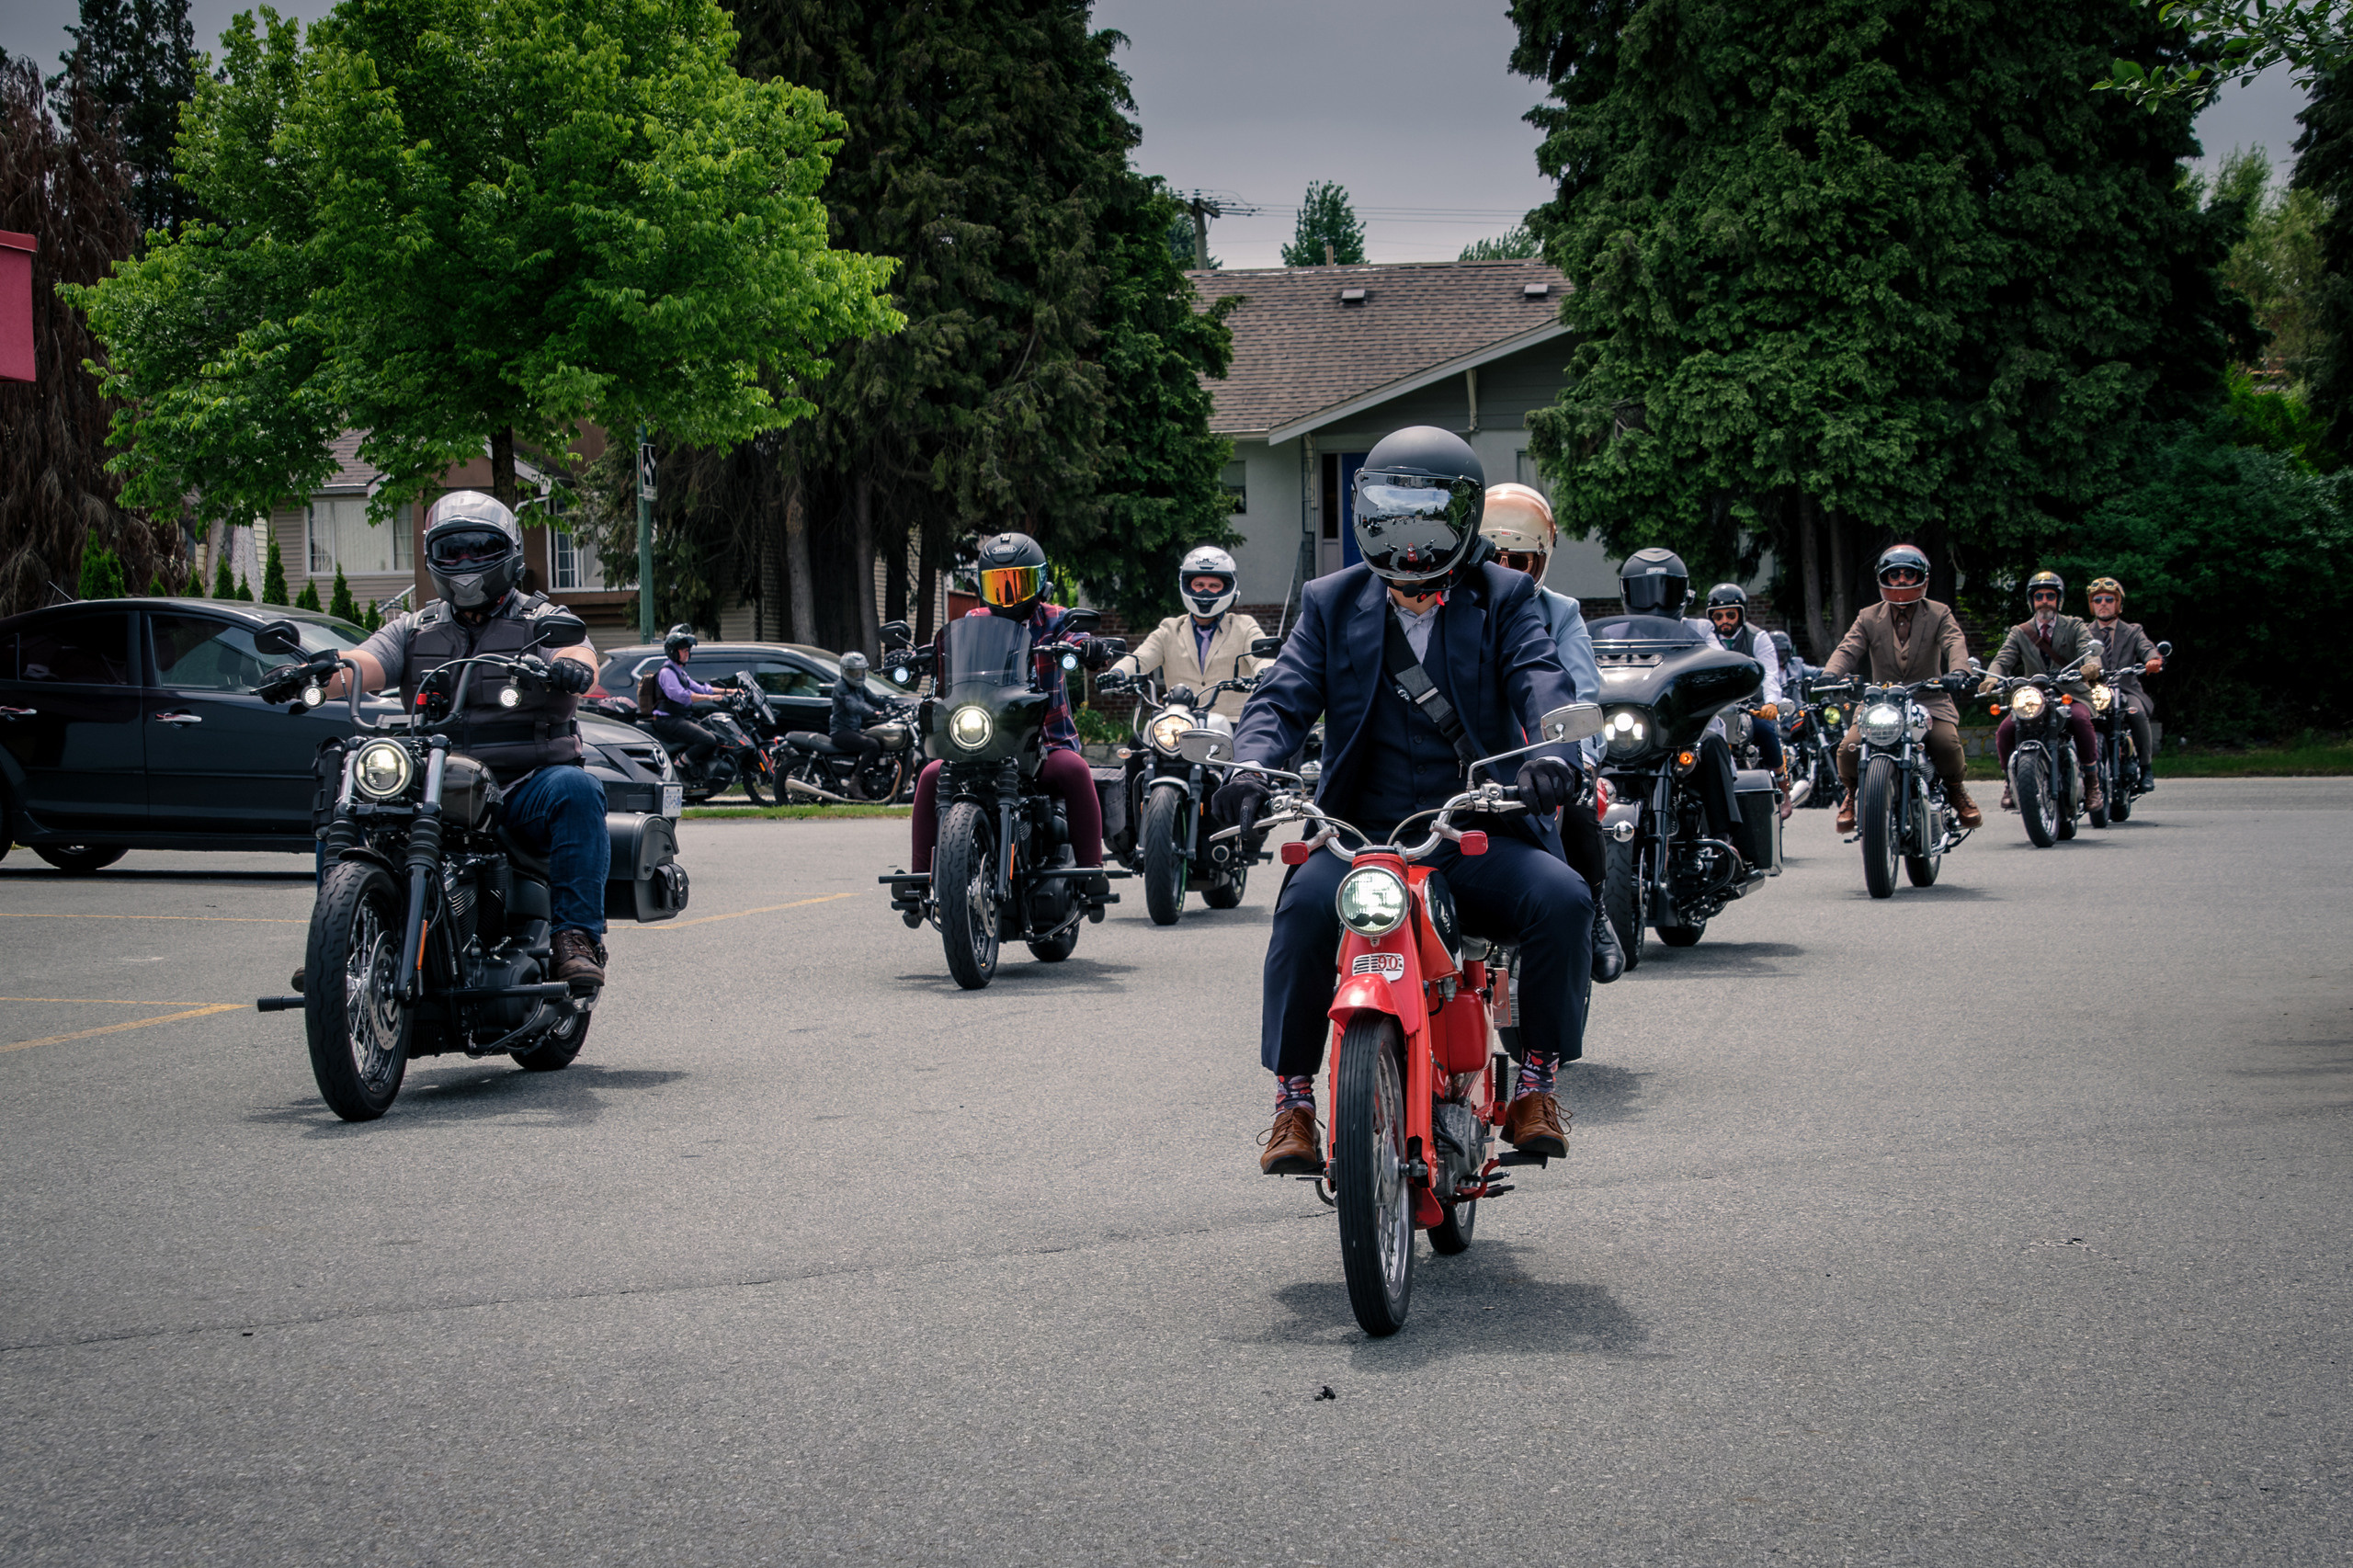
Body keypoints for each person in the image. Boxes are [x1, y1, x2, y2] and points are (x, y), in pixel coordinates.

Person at [1217, 426, 1589, 1175]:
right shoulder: (1330, 601)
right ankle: (1294, 1102)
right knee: (1296, 915)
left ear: (1460, 520)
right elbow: (1282, 699)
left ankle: (1538, 1085)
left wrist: (1553, 752)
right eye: (1394, 517)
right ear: (1366, 519)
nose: (1411, 542)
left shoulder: (1505, 596)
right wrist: (1251, 766)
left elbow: (1541, 677)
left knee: (1566, 899)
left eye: (1427, 519)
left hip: (1478, 829)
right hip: (1363, 835)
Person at [323, 492, 608, 984]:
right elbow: (363, 663)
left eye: (479, 548)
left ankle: (575, 936)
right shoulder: (413, 628)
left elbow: (580, 651)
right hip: (439, 783)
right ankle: (339, 940)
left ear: (510, 553)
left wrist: (570, 667)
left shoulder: (542, 621)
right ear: (434, 556)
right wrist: (317, 672)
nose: (466, 562)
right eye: (452, 551)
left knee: (578, 790)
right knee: (343, 771)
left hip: (522, 785)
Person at [907, 531, 1124, 875]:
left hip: (1043, 744)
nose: (1007, 595)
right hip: (979, 743)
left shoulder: (1056, 619)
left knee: (1075, 770)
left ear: (1039, 583)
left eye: (1018, 583)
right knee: (931, 774)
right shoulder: (973, 622)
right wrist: (912, 658)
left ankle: (1090, 874)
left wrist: (1089, 648)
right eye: (997, 585)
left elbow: (1077, 636)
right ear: (982, 586)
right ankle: (920, 878)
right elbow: (945, 653)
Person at [1479, 481, 1621, 983]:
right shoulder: (1451, 604)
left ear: (1540, 562)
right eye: (1493, 556)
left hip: (1541, 750)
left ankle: (1595, 907)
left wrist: (1570, 758)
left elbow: (1581, 693)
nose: (1506, 571)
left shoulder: (1562, 613)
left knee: (1580, 802)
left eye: (1520, 561)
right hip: (1474, 755)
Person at [1821, 543, 1984, 832]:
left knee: (1946, 743)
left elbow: (1954, 643)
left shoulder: (1938, 613)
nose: (1901, 581)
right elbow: (1848, 649)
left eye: (1908, 574)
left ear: (1922, 577)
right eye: (1894, 575)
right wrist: (1829, 674)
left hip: (1929, 697)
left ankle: (1956, 790)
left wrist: (1958, 671)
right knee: (1848, 748)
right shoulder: (1868, 616)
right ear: (1883, 578)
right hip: (1879, 702)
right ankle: (1852, 794)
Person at [1612, 547, 1749, 847]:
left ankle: (1724, 839)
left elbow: (1719, 663)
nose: (1655, 602)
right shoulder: (1613, 634)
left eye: (1665, 592)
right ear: (1627, 593)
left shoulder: (1700, 630)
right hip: (1631, 730)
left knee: (1712, 744)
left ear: (1683, 594)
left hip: (1686, 728)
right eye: (1644, 593)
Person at [1980, 569, 2104, 813]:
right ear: (2032, 601)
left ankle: (2092, 783)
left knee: (2080, 719)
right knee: (2005, 730)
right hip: (2034, 696)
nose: (2044, 601)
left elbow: (2087, 649)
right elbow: (2003, 659)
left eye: (2050, 595)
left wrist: (2091, 666)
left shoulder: (2074, 625)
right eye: (2039, 596)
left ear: (2059, 599)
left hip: (2071, 693)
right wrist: (1990, 679)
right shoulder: (2019, 631)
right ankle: (2010, 783)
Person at [1108, 545, 1268, 721]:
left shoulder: (1244, 626)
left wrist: (1266, 671)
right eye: (1199, 585)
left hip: (1236, 724)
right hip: (1179, 725)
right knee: (1138, 747)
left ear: (1227, 588)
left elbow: (1262, 657)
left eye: (1214, 585)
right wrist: (1117, 674)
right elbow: (1140, 659)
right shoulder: (1169, 629)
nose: (1205, 591)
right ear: (1187, 586)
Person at [1703, 583, 1788, 787]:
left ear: (1741, 614)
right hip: (1717, 708)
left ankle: (1783, 785)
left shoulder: (1758, 637)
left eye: (1730, 615)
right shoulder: (1705, 639)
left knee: (1766, 731)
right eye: (1718, 616)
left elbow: (1769, 675)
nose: (1724, 621)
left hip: (1752, 706)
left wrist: (1771, 703)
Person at [2085, 576, 2164, 791]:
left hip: (2126, 689)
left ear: (2118, 603)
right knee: (2076, 716)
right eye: (2097, 599)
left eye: (2109, 599)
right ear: (2091, 604)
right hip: (2094, 692)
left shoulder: (2133, 631)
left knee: (2136, 713)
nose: (2103, 603)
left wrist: (2152, 659)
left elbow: (2146, 648)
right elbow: (2071, 656)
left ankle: (2146, 768)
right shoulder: (2082, 632)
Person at [643, 624, 723, 777]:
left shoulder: (679, 671)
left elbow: (700, 688)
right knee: (707, 740)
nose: (687, 653)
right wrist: (711, 698)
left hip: (679, 718)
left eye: (688, 650)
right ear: (674, 652)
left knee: (714, 732)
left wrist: (729, 691)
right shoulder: (667, 672)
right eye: (684, 650)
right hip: (668, 720)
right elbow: (681, 695)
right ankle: (679, 765)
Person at [829, 652, 889, 792]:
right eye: (854, 672)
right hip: (841, 732)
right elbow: (854, 705)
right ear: (844, 670)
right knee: (872, 745)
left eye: (861, 672)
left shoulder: (860, 686)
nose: (858, 676)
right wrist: (874, 713)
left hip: (853, 730)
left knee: (880, 739)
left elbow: (874, 698)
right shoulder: (841, 687)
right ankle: (854, 784)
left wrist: (889, 704)